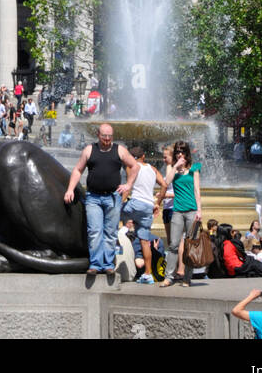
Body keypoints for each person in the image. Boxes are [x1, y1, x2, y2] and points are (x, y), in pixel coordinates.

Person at [64, 122, 138, 281]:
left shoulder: (119, 150)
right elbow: (78, 170)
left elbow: (135, 166)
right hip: (93, 198)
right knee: (95, 231)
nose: (107, 139)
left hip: (112, 197)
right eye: (104, 136)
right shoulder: (90, 150)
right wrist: (70, 189)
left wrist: (128, 185)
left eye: (109, 136)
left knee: (110, 232)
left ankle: (108, 264)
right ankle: (96, 264)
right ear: (98, 135)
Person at [120, 143, 168, 285]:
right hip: (148, 206)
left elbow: (128, 187)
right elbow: (164, 185)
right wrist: (157, 203)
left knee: (112, 215)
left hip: (135, 204)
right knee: (145, 241)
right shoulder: (152, 169)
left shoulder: (131, 167)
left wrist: (119, 203)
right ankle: (147, 274)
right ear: (143, 156)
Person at [160, 141, 202, 287]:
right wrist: (176, 166)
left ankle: (187, 278)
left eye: (182, 151)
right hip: (177, 210)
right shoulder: (173, 168)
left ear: (187, 153)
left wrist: (199, 211)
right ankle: (168, 277)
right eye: (177, 152)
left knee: (190, 245)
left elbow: (197, 190)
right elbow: (166, 183)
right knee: (173, 245)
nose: (180, 154)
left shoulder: (194, 168)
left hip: (191, 210)